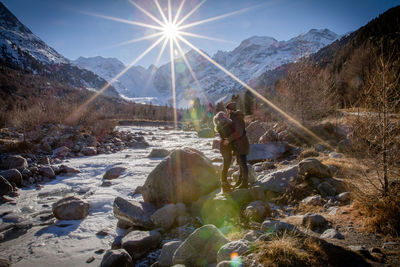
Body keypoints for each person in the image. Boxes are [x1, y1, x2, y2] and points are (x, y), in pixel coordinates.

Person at [224, 102, 250, 189]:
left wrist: (229, 139)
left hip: (241, 144)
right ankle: (240, 181)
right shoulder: (235, 117)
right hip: (240, 143)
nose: (226, 112)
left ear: (230, 110)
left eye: (227, 110)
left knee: (243, 164)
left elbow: (239, 132)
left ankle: (244, 183)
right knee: (241, 164)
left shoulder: (236, 118)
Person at [213, 111, 235, 193]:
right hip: (225, 147)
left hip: (224, 147)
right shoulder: (224, 124)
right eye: (224, 114)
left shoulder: (221, 124)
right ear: (222, 116)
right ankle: (224, 185)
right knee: (226, 166)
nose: (226, 115)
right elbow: (227, 135)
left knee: (226, 166)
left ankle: (225, 184)